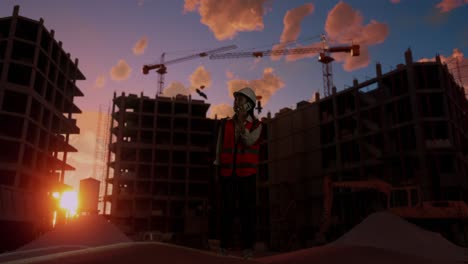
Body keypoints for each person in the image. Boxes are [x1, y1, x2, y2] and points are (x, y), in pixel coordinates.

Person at [214, 87, 262, 259]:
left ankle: (248, 247)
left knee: (247, 211)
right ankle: (223, 246)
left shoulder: (257, 125)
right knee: (226, 210)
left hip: (247, 174)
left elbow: (249, 141)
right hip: (227, 173)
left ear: (249, 105)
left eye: (240, 100)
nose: (236, 103)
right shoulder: (226, 124)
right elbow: (220, 146)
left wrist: (242, 126)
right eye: (236, 100)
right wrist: (218, 165)